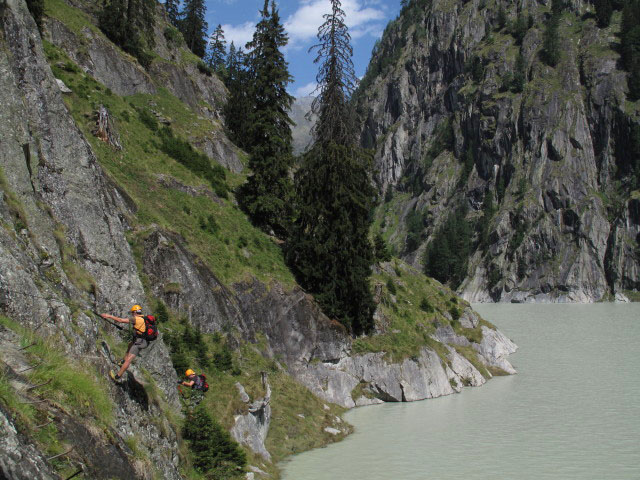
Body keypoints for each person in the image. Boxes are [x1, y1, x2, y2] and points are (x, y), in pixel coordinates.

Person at [101, 305, 152, 382]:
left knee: (129, 359)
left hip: (140, 342)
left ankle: (117, 376)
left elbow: (120, 320)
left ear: (135, 312)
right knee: (130, 345)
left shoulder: (135, 319)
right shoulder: (144, 318)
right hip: (144, 341)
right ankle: (122, 362)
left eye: (132, 312)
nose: (132, 314)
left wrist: (108, 316)